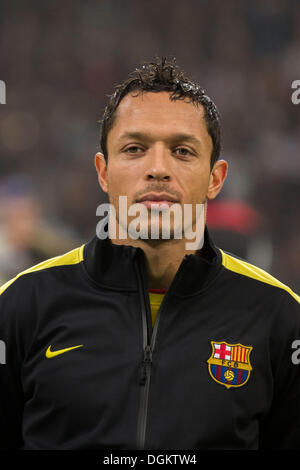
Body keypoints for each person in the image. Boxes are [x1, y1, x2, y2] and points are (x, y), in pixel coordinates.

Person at [0, 57, 299, 450]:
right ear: (103, 172)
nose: (158, 168)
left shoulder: (279, 316)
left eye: (182, 151)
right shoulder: (22, 306)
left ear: (216, 178)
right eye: (135, 148)